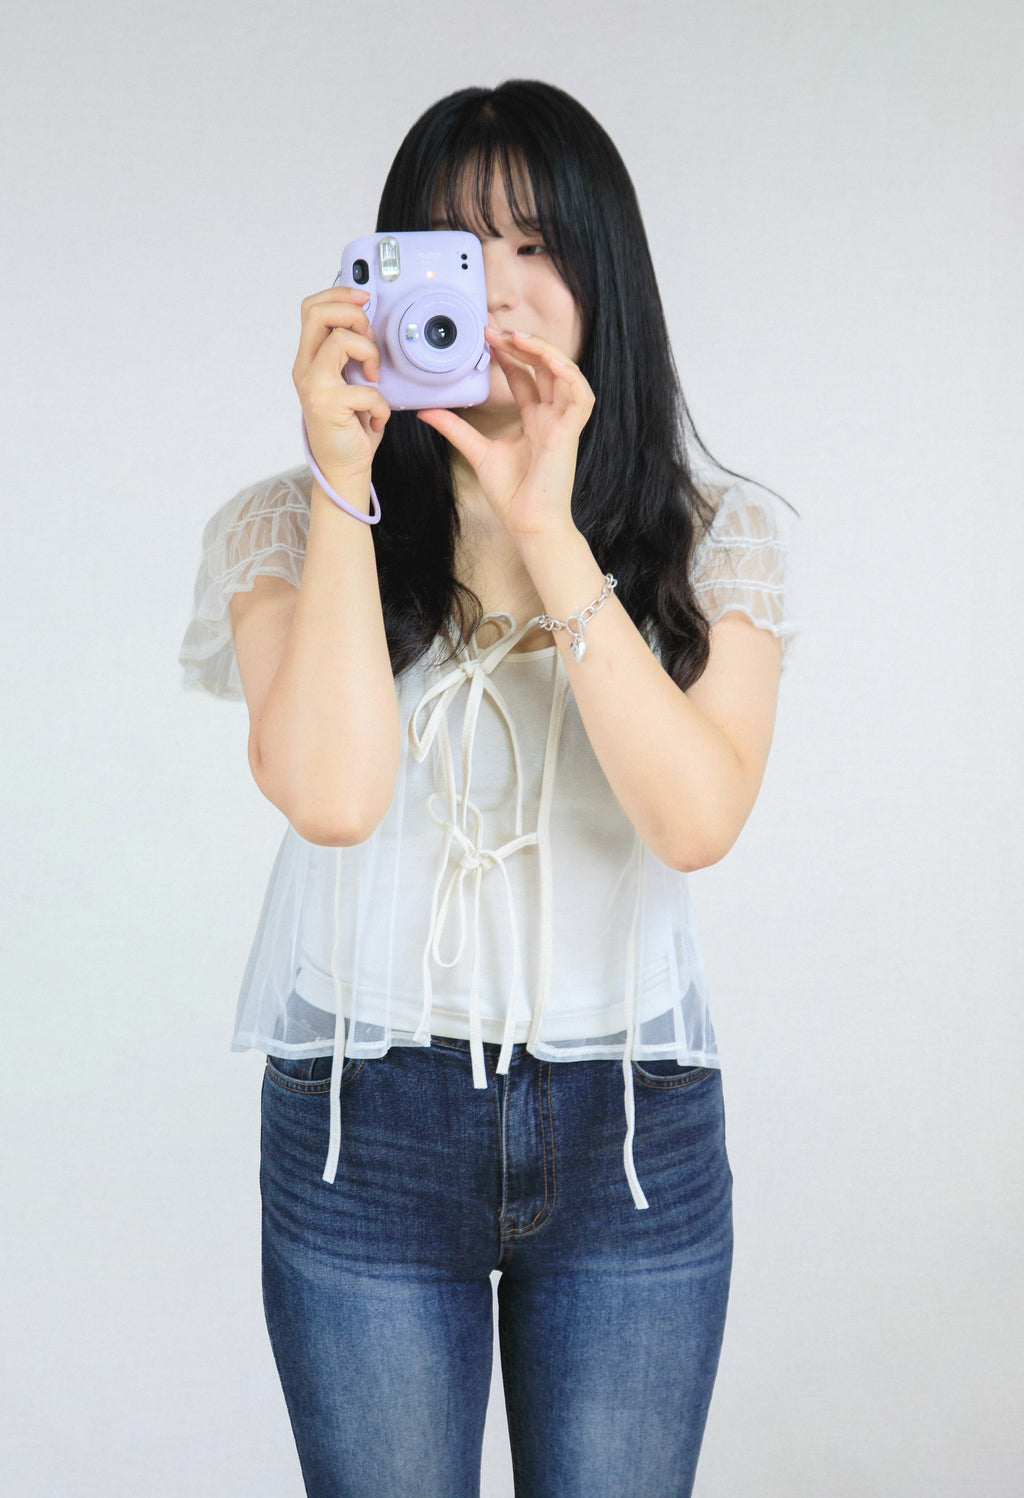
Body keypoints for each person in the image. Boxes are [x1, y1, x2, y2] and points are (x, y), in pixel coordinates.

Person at [180, 78, 797, 1498]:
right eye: (455, 252)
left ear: (605, 278)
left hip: (631, 1133)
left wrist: (545, 524)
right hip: (366, 1130)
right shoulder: (287, 526)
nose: (502, 294)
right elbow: (329, 794)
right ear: (385, 284)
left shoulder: (720, 542)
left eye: (537, 246)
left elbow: (694, 820)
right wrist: (345, 482)